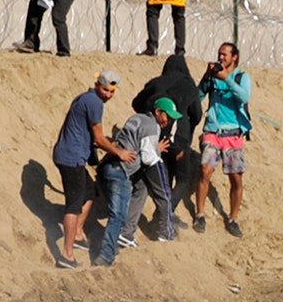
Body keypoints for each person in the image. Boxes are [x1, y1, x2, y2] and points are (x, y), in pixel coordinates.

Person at [51, 70, 132, 269]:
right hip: (71, 159)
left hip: (71, 155)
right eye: (105, 90)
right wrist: (119, 152)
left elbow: (89, 135)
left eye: (112, 91)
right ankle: (66, 255)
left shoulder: (86, 98)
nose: (108, 95)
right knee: (73, 205)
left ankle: (77, 234)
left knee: (90, 192)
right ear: (97, 85)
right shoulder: (94, 102)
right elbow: (98, 137)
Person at [96, 96, 179, 266]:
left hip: (107, 166)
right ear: (157, 112)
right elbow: (148, 158)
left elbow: (130, 143)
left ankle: (125, 235)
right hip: (121, 170)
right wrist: (159, 164)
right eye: (167, 116)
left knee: (142, 188)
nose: (168, 121)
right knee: (117, 216)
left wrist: (154, 148)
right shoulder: (152, 126)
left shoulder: (137, 119)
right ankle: (106, 255)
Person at [132, 54, 203, 219]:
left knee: (165, 178)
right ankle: (165, 213)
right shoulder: (189, 85)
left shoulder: (156, 83)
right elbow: (197, 114)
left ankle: (162, 213)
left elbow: (136, 103)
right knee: (182, 179)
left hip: (155, 136)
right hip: (180, 139)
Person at [194, 42, 250, 237]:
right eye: (219, 54)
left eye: (224, 54)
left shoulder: (241, 77)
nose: (221, 58)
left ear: (234, 57)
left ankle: (233, 218)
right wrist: (207, 76)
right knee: (205, 169)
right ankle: (200, 214)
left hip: (233, 135)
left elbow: (243, 97)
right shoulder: (213, 77)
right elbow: (198, 96)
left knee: (236, 177)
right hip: (212, 131)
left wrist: (226, 79)